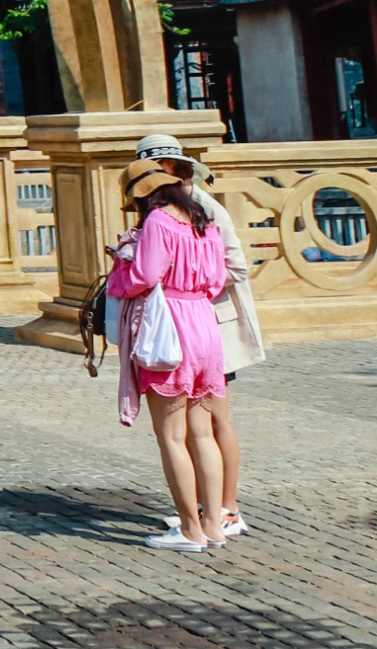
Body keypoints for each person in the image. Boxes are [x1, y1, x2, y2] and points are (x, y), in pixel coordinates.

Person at [138, 130, 260, 542]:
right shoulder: (177, 208)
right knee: (200, 426)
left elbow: (235, 267)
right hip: (201, 321)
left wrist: (186, 288)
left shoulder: (195, 210)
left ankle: (225, 510)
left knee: (212, 423)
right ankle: (210, 514)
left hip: (204, 322)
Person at [106, 159, 232, 552]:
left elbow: (144, 277)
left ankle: (190, 530)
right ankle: (214, 526)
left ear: (143, 197)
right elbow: (217, 280)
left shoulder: (158, 221)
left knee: (172, 437)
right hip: (204, 322)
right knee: (202, 433)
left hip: (170, 326)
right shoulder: (203, 221)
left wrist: (119, 271)